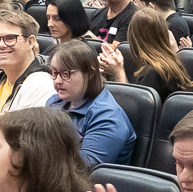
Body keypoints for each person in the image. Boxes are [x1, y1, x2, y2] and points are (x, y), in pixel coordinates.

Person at [45, 38, 134, 166]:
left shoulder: (107, 116)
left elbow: (84, 168)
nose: (57, 81)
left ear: (90, 73)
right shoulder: (54, 102)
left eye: (66, 73)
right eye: (54, 72)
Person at [0, 12, 53, 141]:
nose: (1, 45)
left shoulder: (41, 85)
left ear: (30, 42)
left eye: (10, 38)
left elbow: (26, 142)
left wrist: (7, 127)